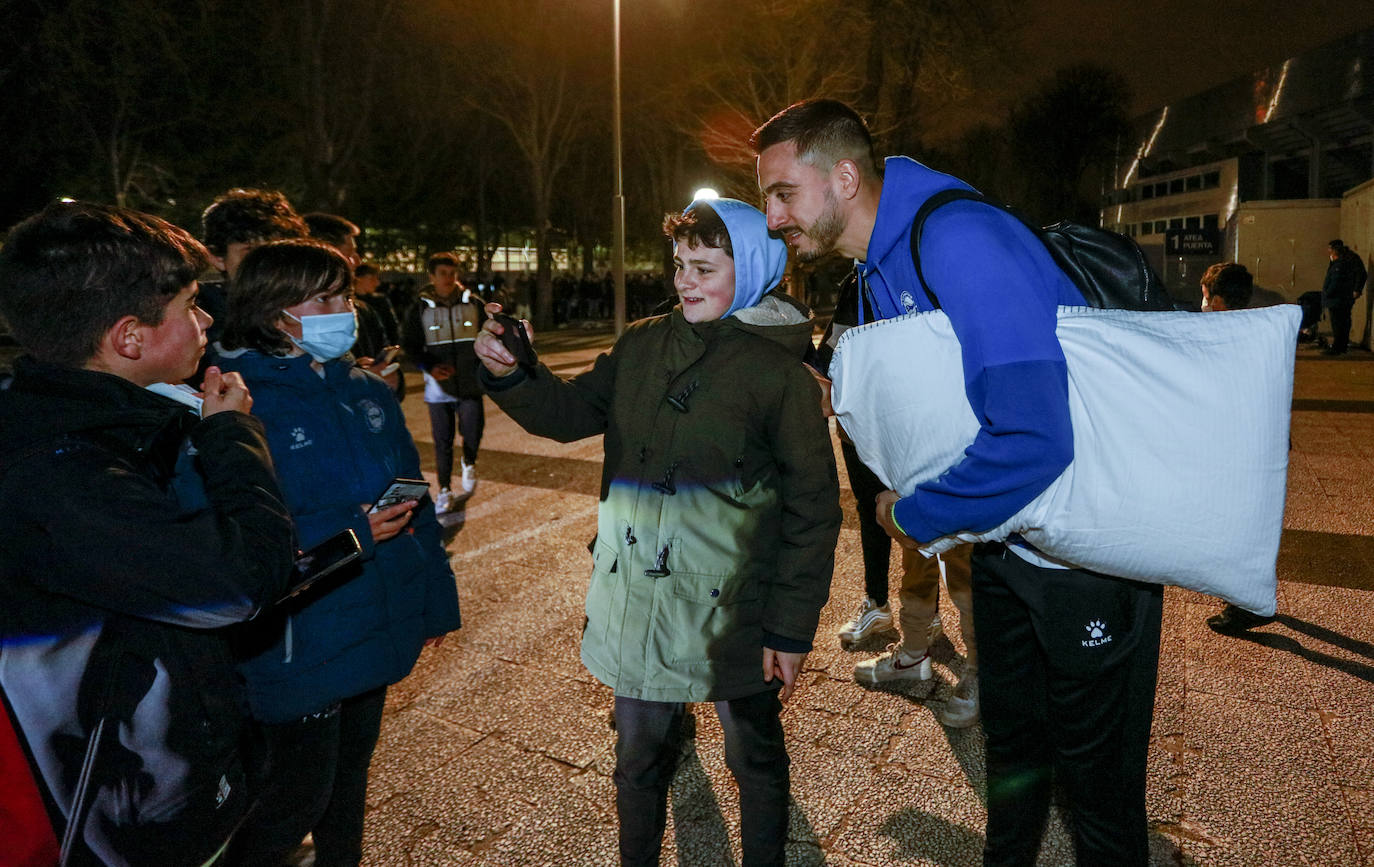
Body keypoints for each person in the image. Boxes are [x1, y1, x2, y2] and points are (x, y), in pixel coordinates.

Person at [753, 99, 1163, 866]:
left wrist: (912, 510)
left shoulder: (960, 238)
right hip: (1005, 549)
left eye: (782, 193)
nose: (772, 216)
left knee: (1097, 797)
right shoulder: (877, 267)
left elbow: (1035, 437)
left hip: (1085, 563)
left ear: (844, 176)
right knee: (1014, 762)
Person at [475, 198, 840, 867]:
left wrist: (789, 628)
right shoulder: (642, 343)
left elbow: (813, 510)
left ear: (754, 269)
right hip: (638, 595)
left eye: (704, 266)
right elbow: (569, 413)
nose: (683, 280)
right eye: (678, 264)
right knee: (637, 753)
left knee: (751, 754)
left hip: (737, 610)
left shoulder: (782, 375)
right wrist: (513, 373)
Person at [0, 201, 296, 865]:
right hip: (126, 824)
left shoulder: (77, 428)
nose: (207, 320)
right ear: (129, 336)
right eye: (191, 305)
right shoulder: (64, 475)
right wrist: (232, 437)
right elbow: (242, 581)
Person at [212, 239, 461, 867]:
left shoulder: (365, 389)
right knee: (291, 802)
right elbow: (233, 528)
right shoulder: (238, 401)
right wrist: (351, 527)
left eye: (344, 295)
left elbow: (414, 498)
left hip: (375, 622)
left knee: (348, 791)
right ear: (275, 311)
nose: (342, 309)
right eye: (323, 297)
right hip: (301, 638)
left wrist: (433, 603)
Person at [816, 272, 979, 725]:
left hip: (950, 429)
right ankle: (913, 651)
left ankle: (983, 671)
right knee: (913, 545)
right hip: (900, 434)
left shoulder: (935, 259)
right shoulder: (863, 278)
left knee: (964, 559)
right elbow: (836, 348)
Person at [403, 252, 486, 512]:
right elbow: (410, 345)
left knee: (473, 431)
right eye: (443, 274)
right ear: (432, 276)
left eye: (452, 273)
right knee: (443, 441)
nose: (449, 278)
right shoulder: (419, 307)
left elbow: (490, 335)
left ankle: (469, 461)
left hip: (470, 384)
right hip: (438, 387)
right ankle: (445, 490)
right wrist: (428, 366)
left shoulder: (473, 303)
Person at [199, 188, 310, 345]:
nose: (269, 262)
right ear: (217, 258)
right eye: (251, 251)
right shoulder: (201, 318)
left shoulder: (314, 307)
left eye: (279, 250)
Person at [1321, 239, 1367, 355]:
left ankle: (1339, 346)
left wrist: (1357, 289)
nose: (1328, 252)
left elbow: (1360, 274)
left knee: (1340, 321)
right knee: (1342, 321)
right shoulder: (1339, 260)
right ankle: (1341, 345)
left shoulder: (1347, 260)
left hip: (1341, 296)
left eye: (1330, 249)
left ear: (1335, 250)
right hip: (1342, 296)